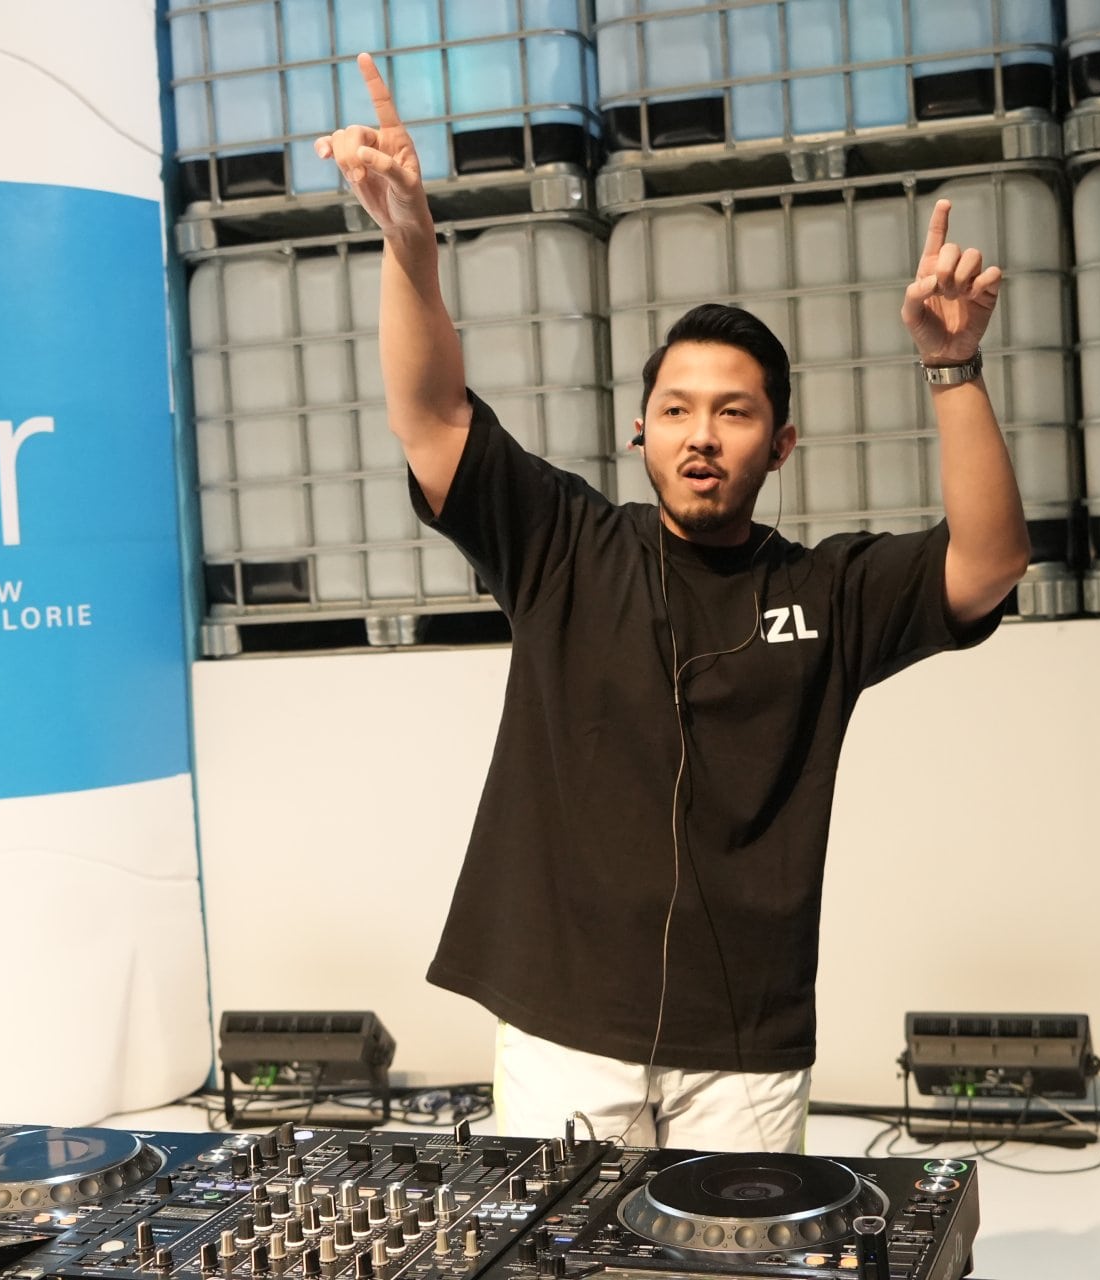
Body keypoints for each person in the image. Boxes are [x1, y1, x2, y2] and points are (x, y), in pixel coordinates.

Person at [316, 54, 1029, 1153]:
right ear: (639, 430)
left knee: (733, 1245)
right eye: (678, 408)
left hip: (745, 1035)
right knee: (559, 1240)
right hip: (563, 1018)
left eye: (735, 412)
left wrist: (954, 365)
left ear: (780, 444)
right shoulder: (564, 545)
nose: (702, 435)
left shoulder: (826, 591)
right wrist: (410, 241)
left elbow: (988, 561)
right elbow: (433, 416)